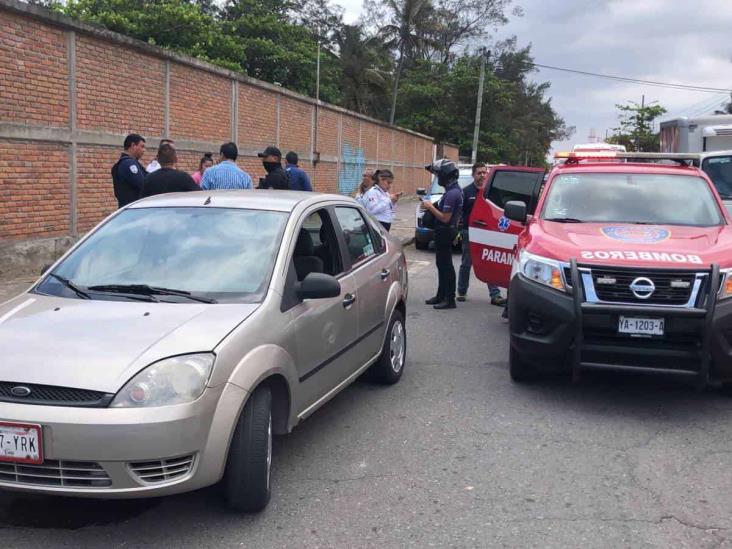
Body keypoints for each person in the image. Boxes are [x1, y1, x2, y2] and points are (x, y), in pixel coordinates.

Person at [457, 162, 507, 306]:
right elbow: (460, 213)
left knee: (488, 263)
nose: (482, 175)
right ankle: (461, 291)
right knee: (466, 263)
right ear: (473, 175)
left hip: (487, 233)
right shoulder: (465, 192)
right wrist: (459, 231)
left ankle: (495, 295)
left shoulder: (491, 192)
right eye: (479, 173)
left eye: (484, 173)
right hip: (469, 232)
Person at [422, 159, 463, 310]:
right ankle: (441, 295)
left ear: (445, 176)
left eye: (439, 175)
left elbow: (445, 218)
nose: (437, 178)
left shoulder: (453, 193)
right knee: (441, 264)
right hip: (444, 232)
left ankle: (449, 299)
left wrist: (429, 206)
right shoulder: (452, 191)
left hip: (446, 231)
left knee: (446, 266)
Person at [111, 133, 147, 208]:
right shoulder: (129, 164)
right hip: (133, 209)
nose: (144, 150)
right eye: (142, 146)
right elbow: (143, 185)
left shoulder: (125, 163)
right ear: (133, 145)